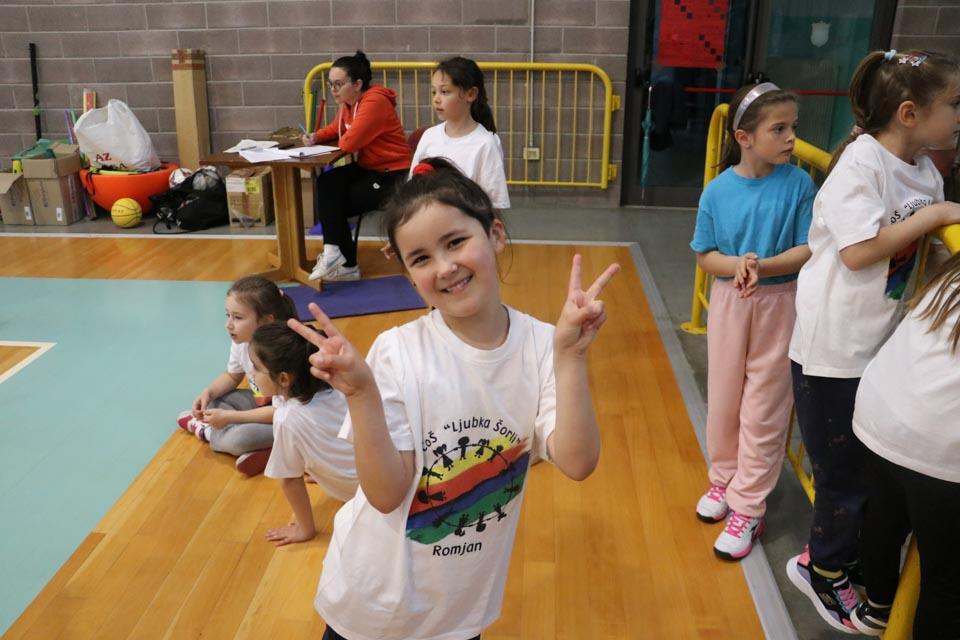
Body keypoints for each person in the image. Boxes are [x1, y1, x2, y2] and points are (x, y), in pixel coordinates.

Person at [287, 157, 619, 640]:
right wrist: (361, 394)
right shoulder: (398, 352)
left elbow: (578, 461)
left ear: (496, 235)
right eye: (421, 258)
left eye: (456, 242)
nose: (445, 267)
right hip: (372, 601)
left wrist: (570, 357)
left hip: (461, 609)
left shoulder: (543, 345)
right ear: (408, 274)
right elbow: (385, 495)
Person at [785, 49, 960, 634]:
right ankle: (822, 570)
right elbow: (860, 252)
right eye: (954, 104)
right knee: (842, 477)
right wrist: (934, 216)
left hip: (876, 347)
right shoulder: (862, 163)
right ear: (910, 113)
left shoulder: (925, 170)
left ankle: (846, 556)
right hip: (832, 352)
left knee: (863, 473)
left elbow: (924, 251)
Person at [690, 82, 815, 560]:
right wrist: (737, 265)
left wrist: (761, 266)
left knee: (765, 408)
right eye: (778, 129)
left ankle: (748, 506)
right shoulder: (717, 191)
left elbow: (807, 248)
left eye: (793, 127)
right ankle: (724, 479)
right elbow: (705, 255)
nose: (791, 138)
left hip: (780, 304)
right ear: (744, 138)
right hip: (730, 303)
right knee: (724, 401)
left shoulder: (799, 185)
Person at [850, 250, 960, 638]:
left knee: (883, 519)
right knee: (947, 582)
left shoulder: (952, 267)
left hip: (879, 412)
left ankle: (878, 604)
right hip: (939, 443)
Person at [303, 50, 413, 282]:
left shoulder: (374, 102)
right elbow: (335, 129)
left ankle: (342, 260)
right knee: (327, 182)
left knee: (335, 202)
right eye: (331, 84)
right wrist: (316, 136)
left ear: (357, 84)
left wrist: (347, 133)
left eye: (338, 84)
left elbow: (349, 143)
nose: (333, 90)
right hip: (369, 167)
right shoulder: (348, 104)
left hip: (392, 174)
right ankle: (337, 255)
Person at [248, 322, 358, 547]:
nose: (251, 373)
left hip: (360, 494)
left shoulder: (287, 418)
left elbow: (290, 479)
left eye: (256, 368)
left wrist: (305, 528)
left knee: (291, 463)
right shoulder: (336, 385)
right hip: (382, 476)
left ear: (283, 379)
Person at [177, 275, 297, 477]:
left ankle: (208, 432)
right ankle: (267, 449)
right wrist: (208, 392)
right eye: (228, 315)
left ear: (266, 321)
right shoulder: (243, 341)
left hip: (289, 420)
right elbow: (232, 376)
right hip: (263, 406)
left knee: (238, 440)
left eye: (238, 318)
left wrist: (231, 418)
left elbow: (282, 412)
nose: (228, 324)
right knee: (214, 401)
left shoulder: (282, 353)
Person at [410, 56, 510, 209]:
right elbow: (412, 187)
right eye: (434, 92)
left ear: (471, 94)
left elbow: (494, 204)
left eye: (445, 92)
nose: (436, 99)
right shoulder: (429, 136)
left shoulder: (486, 143)